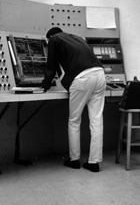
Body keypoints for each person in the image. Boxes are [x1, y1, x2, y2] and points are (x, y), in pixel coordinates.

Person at [41, 27, 106, 172]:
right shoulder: (77, 38)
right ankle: (94, 163)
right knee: (96, 120)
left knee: (74, 120)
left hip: (82, 78)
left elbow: (51, 64)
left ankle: (74, 160)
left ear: (50, 37)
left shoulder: (54, 39)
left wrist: (45, 83)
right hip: (100, 74)